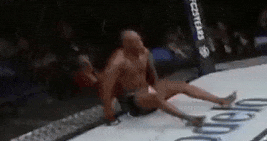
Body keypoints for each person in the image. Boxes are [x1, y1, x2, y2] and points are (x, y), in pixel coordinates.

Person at [84, 30, 235, 127]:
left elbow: (152, 75)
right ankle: (188, 119)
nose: (140, 43)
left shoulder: (145, 53)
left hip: (147, 90)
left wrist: (159, 87)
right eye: (136, 42)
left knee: (181, 85)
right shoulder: (117, 61)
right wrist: (109, 115)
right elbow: (107, 88)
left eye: (140, 40)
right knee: (154, 96)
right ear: (126, 45)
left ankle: (221, 101)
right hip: (133, 101)